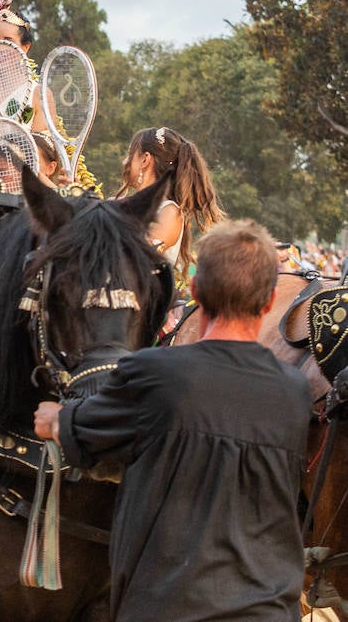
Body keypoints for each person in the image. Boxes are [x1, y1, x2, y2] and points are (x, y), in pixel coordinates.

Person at [33, 220, 308, 621]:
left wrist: (54, 417)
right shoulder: (294, 391)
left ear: (195, 292)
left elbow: (84, 433)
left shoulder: (153, 375)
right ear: (269, 302)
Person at [118, 127, 223, 272]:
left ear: (145, 160)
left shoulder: (169, 213)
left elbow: (133, 259)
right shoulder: (120, 203)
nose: (124, 162)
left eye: (130, 155)